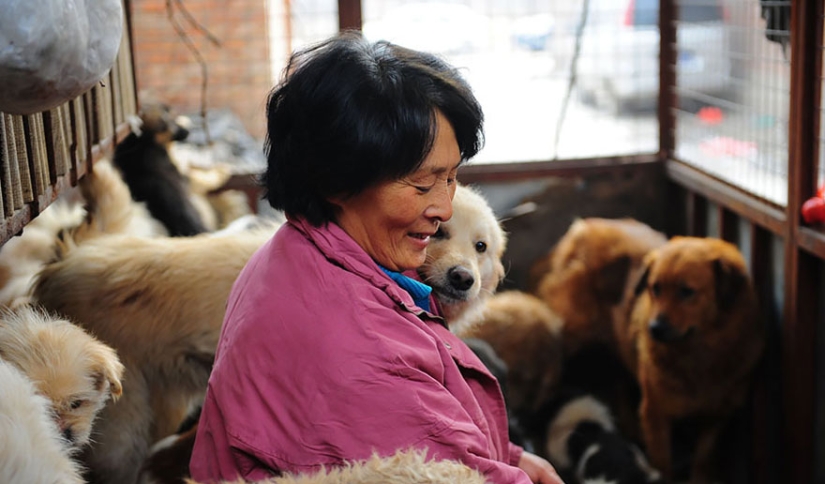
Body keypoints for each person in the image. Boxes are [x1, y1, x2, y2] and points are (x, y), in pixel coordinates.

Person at [189, 31, 563, 484]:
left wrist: (507, 455)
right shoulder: (357, 350)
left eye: (450, 178)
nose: (444, 207)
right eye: (424, 184)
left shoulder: (307, 250)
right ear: (337, 181)